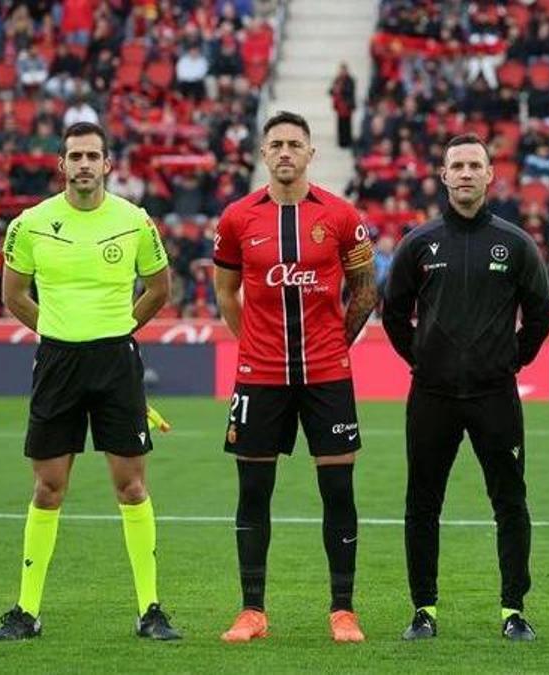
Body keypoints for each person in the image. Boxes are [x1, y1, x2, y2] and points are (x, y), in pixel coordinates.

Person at [0, 122, 178, 641]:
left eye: (93, 155)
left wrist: (116, 332)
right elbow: (14, 294)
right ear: (61, 164)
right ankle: (27, 612)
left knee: (132, 486)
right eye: (75, 156)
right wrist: (59, 332)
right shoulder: (29, 224)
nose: (84, 165)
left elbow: (160, 288)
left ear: (108, 164)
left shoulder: (135, 221)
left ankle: (151, 610)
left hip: (116, 361)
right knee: (48, 489)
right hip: (57, 363)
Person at [212, 111, 378, 644]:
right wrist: (253, 345)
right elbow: (224, 292)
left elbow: (365, 291)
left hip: (327, 374)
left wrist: (335, 342)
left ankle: (343, 611)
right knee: (253, 491)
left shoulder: (342, 215)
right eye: (276, 144)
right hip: (259, 378)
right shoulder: (237, 218)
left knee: (338, 490)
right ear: (263, 154)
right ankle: (252, 611)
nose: (285, 152)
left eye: (295, 144)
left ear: (311, 154)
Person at [382, 134, 549, 641]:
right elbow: (393, 314)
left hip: (494, 395)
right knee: (422, 502)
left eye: (474, 165)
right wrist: (422, 359)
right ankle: (423, 609)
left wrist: (508, 360)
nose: (464, 173)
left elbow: (540, 316)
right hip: (431, 395)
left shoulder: (515, 244)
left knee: (510, 501)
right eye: (456, 165)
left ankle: (513, 610)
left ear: (489, 175)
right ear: (443, 175)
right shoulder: (419, 242)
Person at [329, 62, 356, 148]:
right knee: (340, 124)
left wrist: (340, 89)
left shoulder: (350, 80)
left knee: (347, 124)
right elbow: (330, 90)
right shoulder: (337, 79)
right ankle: (341, 142)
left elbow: (350, 91)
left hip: (347, 105)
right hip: (339, 106)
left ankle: (348, 141)